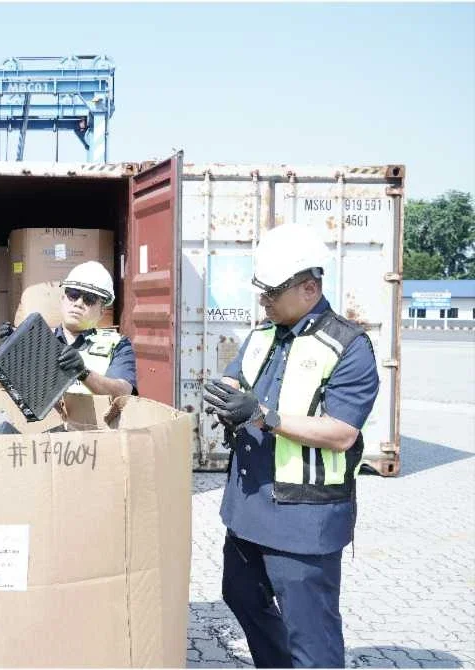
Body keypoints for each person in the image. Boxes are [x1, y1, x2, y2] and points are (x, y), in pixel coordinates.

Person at [202, 223, 379, 669]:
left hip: (303, 520)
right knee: (241, 596)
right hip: (248, 507)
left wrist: (264, 416)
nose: (264, 301)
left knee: (311, 636)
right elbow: (236, 377)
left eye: (272, 293)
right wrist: (225, 396)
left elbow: (342, 432)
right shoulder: (263, 334)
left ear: (309, 288)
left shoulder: (349, 347)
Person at [0, 261, 137, 396]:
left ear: (101, 310)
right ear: (63, 299)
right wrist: (12, 353)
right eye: (73, 295)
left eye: (89, 299)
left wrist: (83, 372)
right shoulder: (39, 340)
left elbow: (124, 391)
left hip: (91, 420)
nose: (78, 303)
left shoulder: (118, 345)